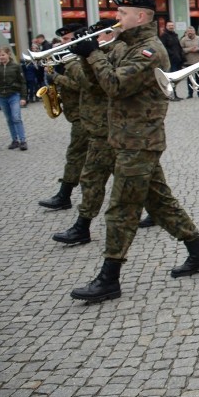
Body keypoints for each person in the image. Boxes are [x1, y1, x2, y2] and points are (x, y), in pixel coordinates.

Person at [67, 0, 199, 303]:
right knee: (161, 202)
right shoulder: (124, 45)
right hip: (125, 138)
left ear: (142, 17)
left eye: (123, 12)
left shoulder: (148, 50)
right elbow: (98, 87)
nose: (117, 18)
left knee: (122, 208)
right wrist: (86, 54)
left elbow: (117, 86)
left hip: (140, 141)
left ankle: (110, 276)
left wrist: (93, 54)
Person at [52, 19, 123, 245]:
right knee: (92, 178)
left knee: (139, 181)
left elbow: (95, 85)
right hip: (97, 126)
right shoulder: (100, 53)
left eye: (97, 34)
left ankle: (191, 242)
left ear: (109, 34)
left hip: (110, 127)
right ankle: (82, 226)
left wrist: (73, 64)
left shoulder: (117, 52)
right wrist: (82, 56)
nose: (94, 39)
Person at [38, 23, 90, 211]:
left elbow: (83, 85)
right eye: (62, 40)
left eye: (67, 39)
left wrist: (57, 79)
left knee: (76, 156)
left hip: (85, 116)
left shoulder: (79, 59)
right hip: (77, 114)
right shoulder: (70, 59)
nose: (63, 43)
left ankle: (64, 195)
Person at [0, 46, 28, 150]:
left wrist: (23, 97)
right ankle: (15, 140)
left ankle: (23, 140)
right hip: (1, 96)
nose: (1, 57)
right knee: (9, 119)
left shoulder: (16, 66)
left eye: (3, 55)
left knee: (16, 117)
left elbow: (22, 82)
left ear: (9, 54)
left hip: (14, 95)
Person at [159, 21, 185, 100]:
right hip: (170, 60)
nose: (171, 27)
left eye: (172, 25)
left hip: (177, 60)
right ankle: (171, 95)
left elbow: (178, 47)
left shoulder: (175, 35)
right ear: (166, 26)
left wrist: (181, 56)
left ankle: (174, 94)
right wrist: (172, 54)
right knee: (171, 79)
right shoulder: (164, 36)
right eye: (169, 25)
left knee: (175, 79)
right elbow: (163, 48)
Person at [180, 26, 199, 98]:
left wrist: (198, 49)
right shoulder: (183, 40)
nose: (190, 33)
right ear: (186, 32)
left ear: (194, 32)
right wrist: (189, 50)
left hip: (198, 61)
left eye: (191, 31)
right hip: (188, 61)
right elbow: (180, 50)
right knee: (189, 79)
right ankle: (190, 94)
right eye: (188, 32)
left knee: (198, 78)